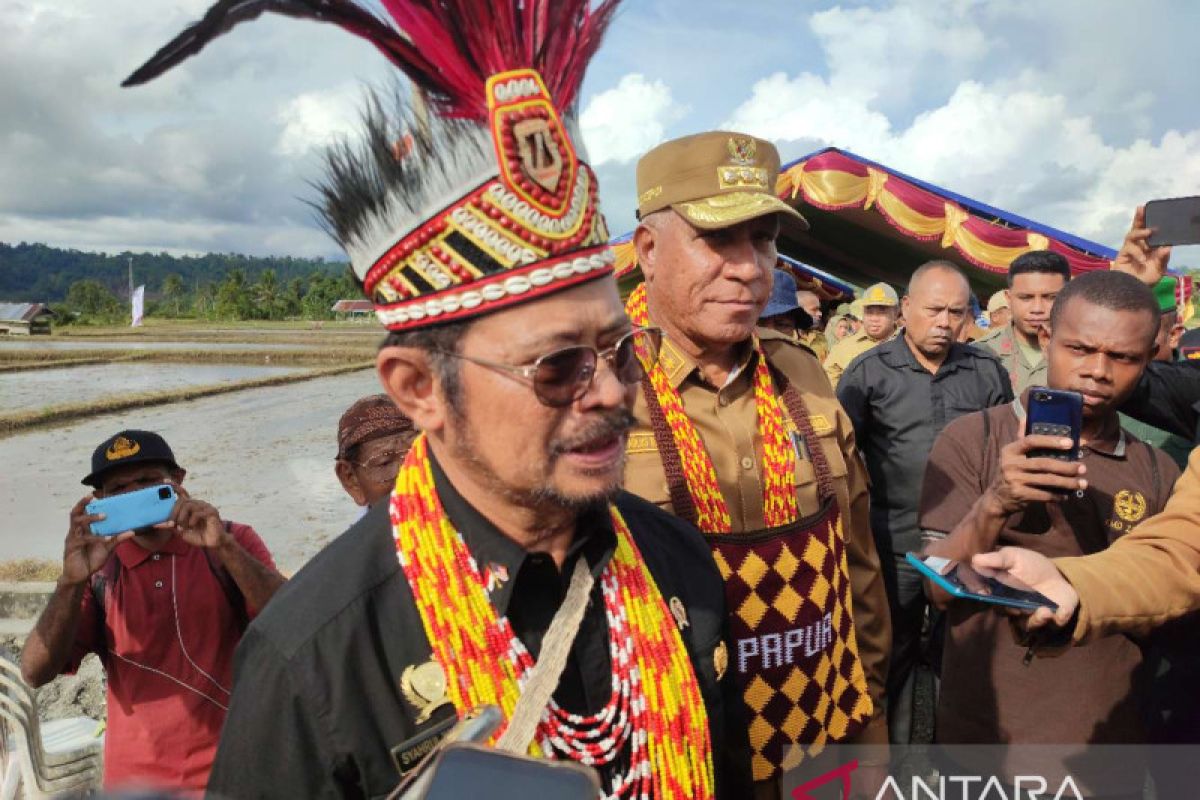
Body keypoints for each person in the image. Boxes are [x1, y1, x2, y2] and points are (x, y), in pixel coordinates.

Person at [125, 4, 752, 798]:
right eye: (557, 367)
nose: (609, 393)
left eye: (620, 351)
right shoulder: (315, 656)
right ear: (420, 389)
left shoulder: (675, 560)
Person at [625, 130, 890, 795]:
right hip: (675, 755)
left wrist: (871, 711)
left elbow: (855, 558)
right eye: (718, 241)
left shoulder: (803, 375)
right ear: (649, 251)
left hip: (816, 735)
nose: (748, 269)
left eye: (764, 241)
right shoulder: (599, 391)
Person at [918, 271, 1179, 796]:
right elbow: (936, 588)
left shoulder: (1158, 471)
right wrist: (996, 503)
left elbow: (1169, 604)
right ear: (1046, 339)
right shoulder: (975, 439)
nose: (1097, 372)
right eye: (1080, 348)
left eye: (1122, 358)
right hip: (984, 742)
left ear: (1149, 359)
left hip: (1101, 749)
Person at [20, 430, 283, 792]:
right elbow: (34, 671)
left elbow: (291, 624)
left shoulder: (231, 539)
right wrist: (70, 580)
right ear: (98, 500)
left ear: (178, 481)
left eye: (147, 483)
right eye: (118, 490)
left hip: (234, 772)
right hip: (136, 783)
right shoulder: (99, 572)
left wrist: (225, 548)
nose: (133, 496)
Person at [836, 261, 1012, 745]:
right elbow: (842, 460)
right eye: (933, 309)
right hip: (894, 548)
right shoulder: (866, 374)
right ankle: (885, 764)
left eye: (956, 312)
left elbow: (1006, 451)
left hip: (969, 547)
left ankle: (951, 762)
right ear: (906, 309)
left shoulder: (985, 372)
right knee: (891, 655)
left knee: (961, 656)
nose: (944, 322)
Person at [1118, 276, 1191, 468]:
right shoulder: (1103, 386)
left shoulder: (1194, 392)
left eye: (1140, 333)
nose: (1126, 344)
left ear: (1174, 335)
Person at [973, 250, 1070, 393]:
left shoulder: (1087, 357)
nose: (1037, 308)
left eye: (1050, 297)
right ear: (1008, 299)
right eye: (1026, 298)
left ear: (1068, 297)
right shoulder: (978, 355)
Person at [335, 394, 419, 507]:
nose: (410, 479)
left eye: (418, 456)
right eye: (385, 464)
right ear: (351, 480)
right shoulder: (370, 524)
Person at [823, 283, 899, 386]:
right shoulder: (843, 348)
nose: (874, 319)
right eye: (869, 312)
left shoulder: (910, 344)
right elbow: (828, 389)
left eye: (881, 312)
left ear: (895, 313)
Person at [758, 269, 814, 341]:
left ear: (794, 330)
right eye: (760, 322)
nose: (770, 332)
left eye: (781, 325)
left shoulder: (798, 351)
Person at [795, 287, 829, 361]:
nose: (820, 313)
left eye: (819, 309)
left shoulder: (820, 337)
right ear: (799, 311)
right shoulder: (787, 337)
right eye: (814, 309)